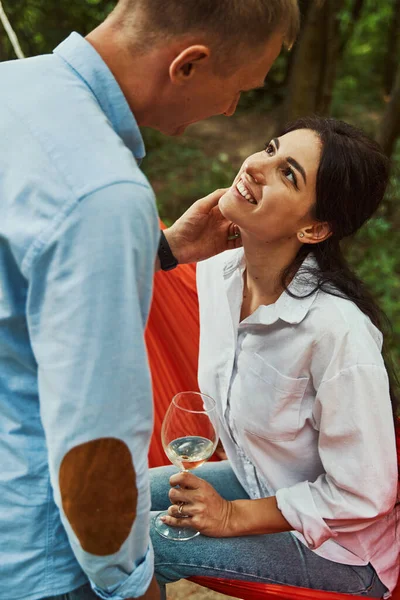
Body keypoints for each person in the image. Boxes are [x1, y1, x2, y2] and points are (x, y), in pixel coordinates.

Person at [0, 1, 301, 600]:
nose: (231, 109)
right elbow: (96, 444)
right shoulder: (103, 196)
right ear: (188, 64)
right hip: (40, 552)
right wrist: (131, 584)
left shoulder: (15, 88)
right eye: (238, 89)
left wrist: (159, 251)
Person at [150, 117, 400, 599]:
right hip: (258, 481)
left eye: (289, 174)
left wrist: (231, 516)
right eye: (269, 148)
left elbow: (366, 494)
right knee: (108, 501)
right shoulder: (217, 275)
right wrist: (171, 249)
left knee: (137, 541)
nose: (258, 166)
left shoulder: (335, 333)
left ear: (315, 228)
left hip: (342, 550)